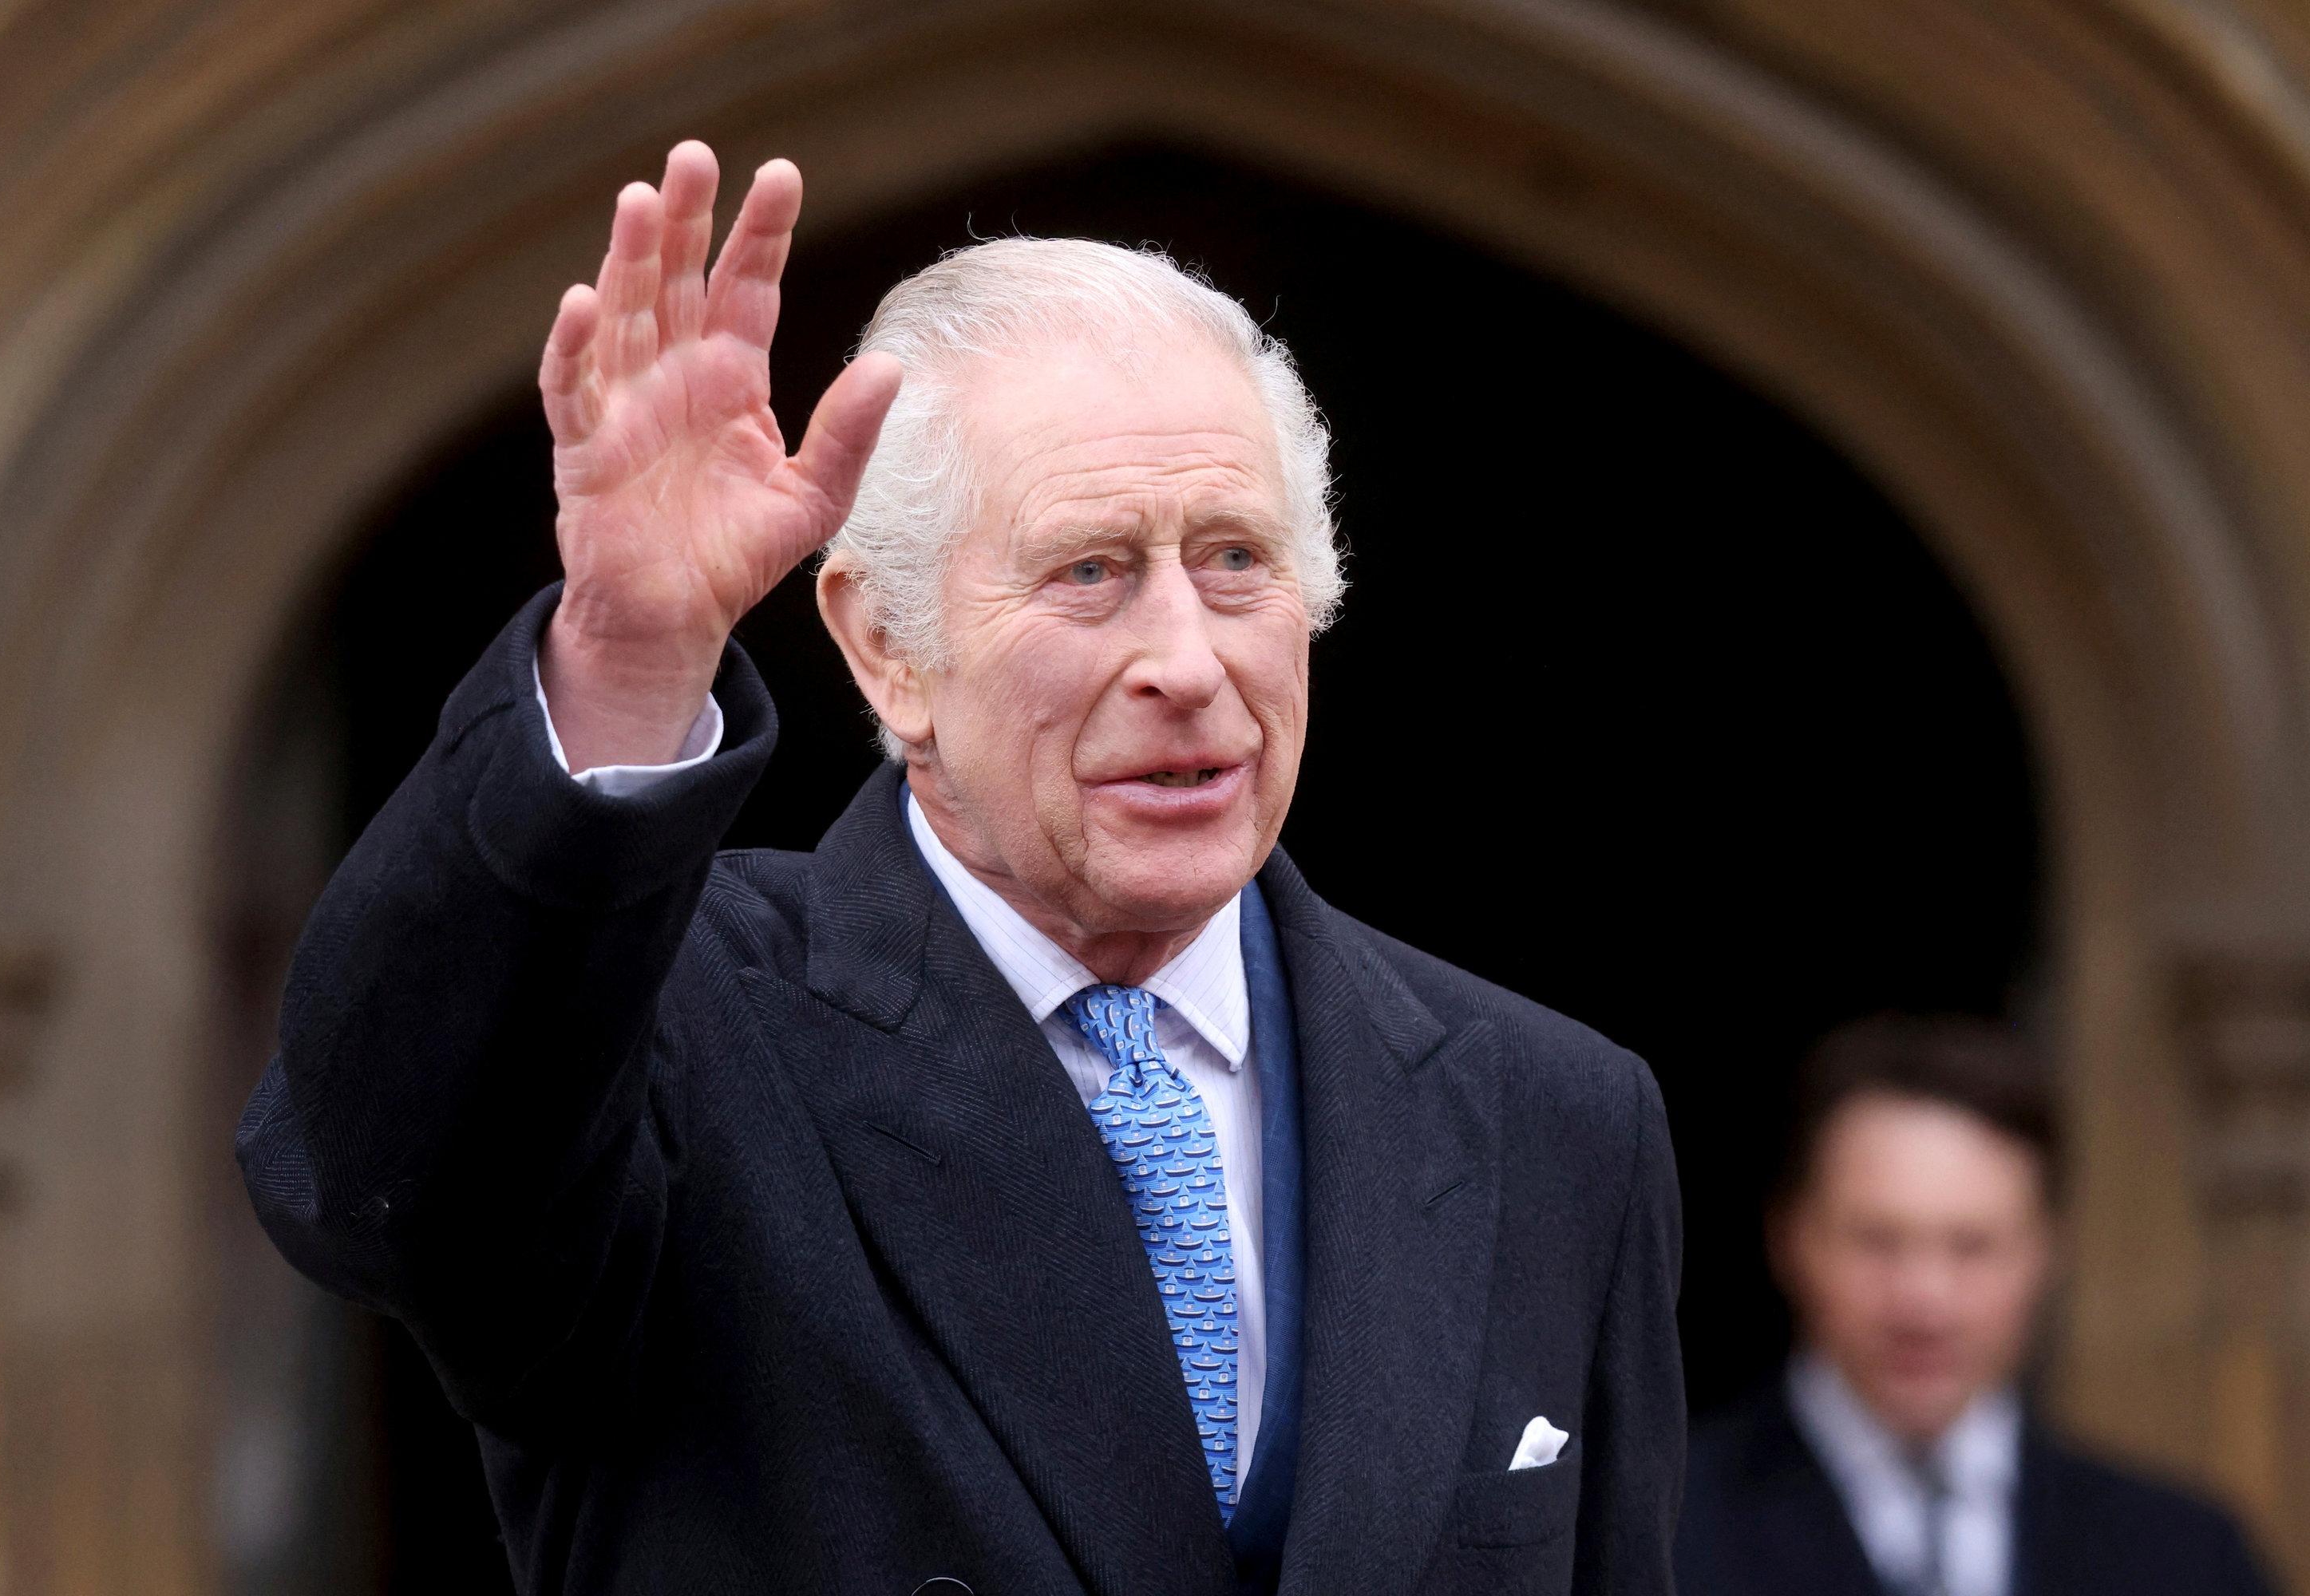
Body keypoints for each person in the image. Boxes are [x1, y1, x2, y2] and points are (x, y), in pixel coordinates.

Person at [235, 140, 1684, 1594]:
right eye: (1089, 571)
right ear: (888, 648)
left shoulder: (1555, 1116)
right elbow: (376, 1184)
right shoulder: (671, 1031)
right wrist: (627, 661)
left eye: (1237, 560)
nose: (1187, 662)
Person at [1676, 1016, 2276, 1596]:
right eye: (1877, 1241)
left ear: (2048, 1251)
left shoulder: (2184, 1555)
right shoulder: (1666, 1532)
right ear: (1788, 1239)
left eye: (1973, 1246)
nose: (1924, 1300)